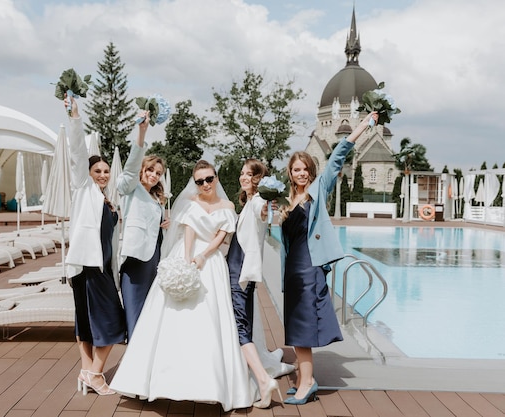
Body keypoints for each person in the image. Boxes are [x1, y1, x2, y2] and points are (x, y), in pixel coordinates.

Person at [110, 160, 256, 411]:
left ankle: (210, 383)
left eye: (209, 179)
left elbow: (221, 237)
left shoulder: (228, 206)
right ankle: (159, 380)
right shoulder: (191, 203)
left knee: (209, 318)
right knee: (171, 317)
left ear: (216, 178)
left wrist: (203, 256)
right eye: (199, 181)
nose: (205, 184)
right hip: (186, 256)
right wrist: (187, 258)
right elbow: (188, 231)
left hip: (211, 262)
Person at [280, 111, 378, 405]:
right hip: (293, 271)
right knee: (295, 325)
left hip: (310, 268)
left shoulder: (317, 190)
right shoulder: (288, 201)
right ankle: (303, 376)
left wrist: (363, 125)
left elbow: (338, 155)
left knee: (303, 326)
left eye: (305, 168)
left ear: (311, 170)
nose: (301, 173)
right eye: (296, 169)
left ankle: (307, 382)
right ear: (290, 173)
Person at [65, 96, 126, 396]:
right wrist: (76, 118)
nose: (103, 174)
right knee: (113, 320)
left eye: (106, 171)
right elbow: (78, 153)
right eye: (97, 170)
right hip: (88, 267)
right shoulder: (83, 189)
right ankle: (96, 374)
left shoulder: (106, 200)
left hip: (97, 268)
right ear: (88, 173)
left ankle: (87, 371)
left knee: (87, 322)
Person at [226, 158, 282, 409]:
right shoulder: (249, 202)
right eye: (242, 173)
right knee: (243, 324)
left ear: (258, 179)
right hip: (243, 273)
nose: (243, 177)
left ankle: (262, 379)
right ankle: (254, 381)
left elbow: (269, 216)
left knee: (239, 328)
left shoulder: (258, 202)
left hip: (239, 273)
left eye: (249, 174)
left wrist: (270, 206)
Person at [117, 112, 169, 340]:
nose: (154, 175)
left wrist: (162, 225)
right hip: (135, 259)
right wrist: (142, 132)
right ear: (142, 169)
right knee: (135, 310)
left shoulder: (156, 199)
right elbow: (129, 169)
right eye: (150, 170)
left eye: (158, 173)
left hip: (154, 259)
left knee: (150, 309)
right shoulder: (130, 188)